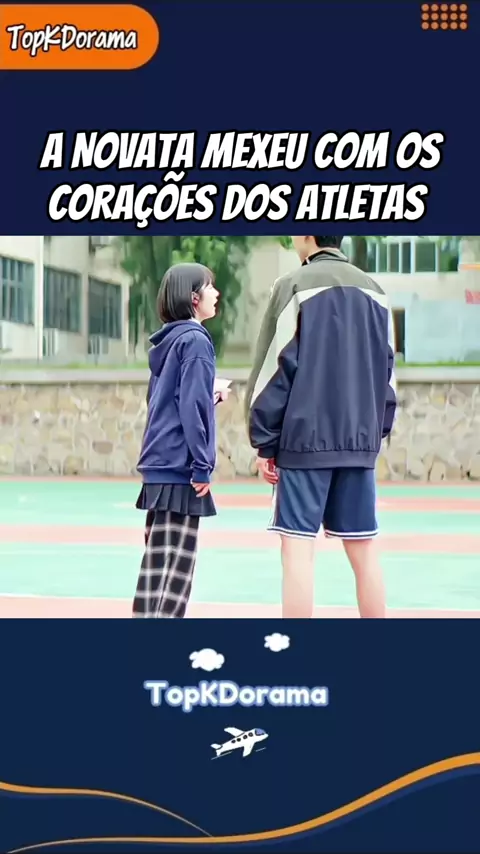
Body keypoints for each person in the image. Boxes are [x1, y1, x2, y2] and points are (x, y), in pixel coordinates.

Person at [244, 236, 396, 619]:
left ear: (307, 237)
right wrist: (374, 433)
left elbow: (274, 369)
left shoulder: (292, 285)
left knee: (297, 551)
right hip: (359, 442)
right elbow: (388, 375)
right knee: (364, 551)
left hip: (303, 442)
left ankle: (297, 647)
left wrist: (264, 442)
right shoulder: (376, 292)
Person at [133, 262, 227, 618]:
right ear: (193, 297)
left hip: (159, 462)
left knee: (157, 564)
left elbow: (165, 401)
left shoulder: (168, 341)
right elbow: (191, 406)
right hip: (180, 466)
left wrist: (209, 397)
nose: (216, 293)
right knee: (176, 570)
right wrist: (202, 465)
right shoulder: (196, 341)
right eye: (209, 286)